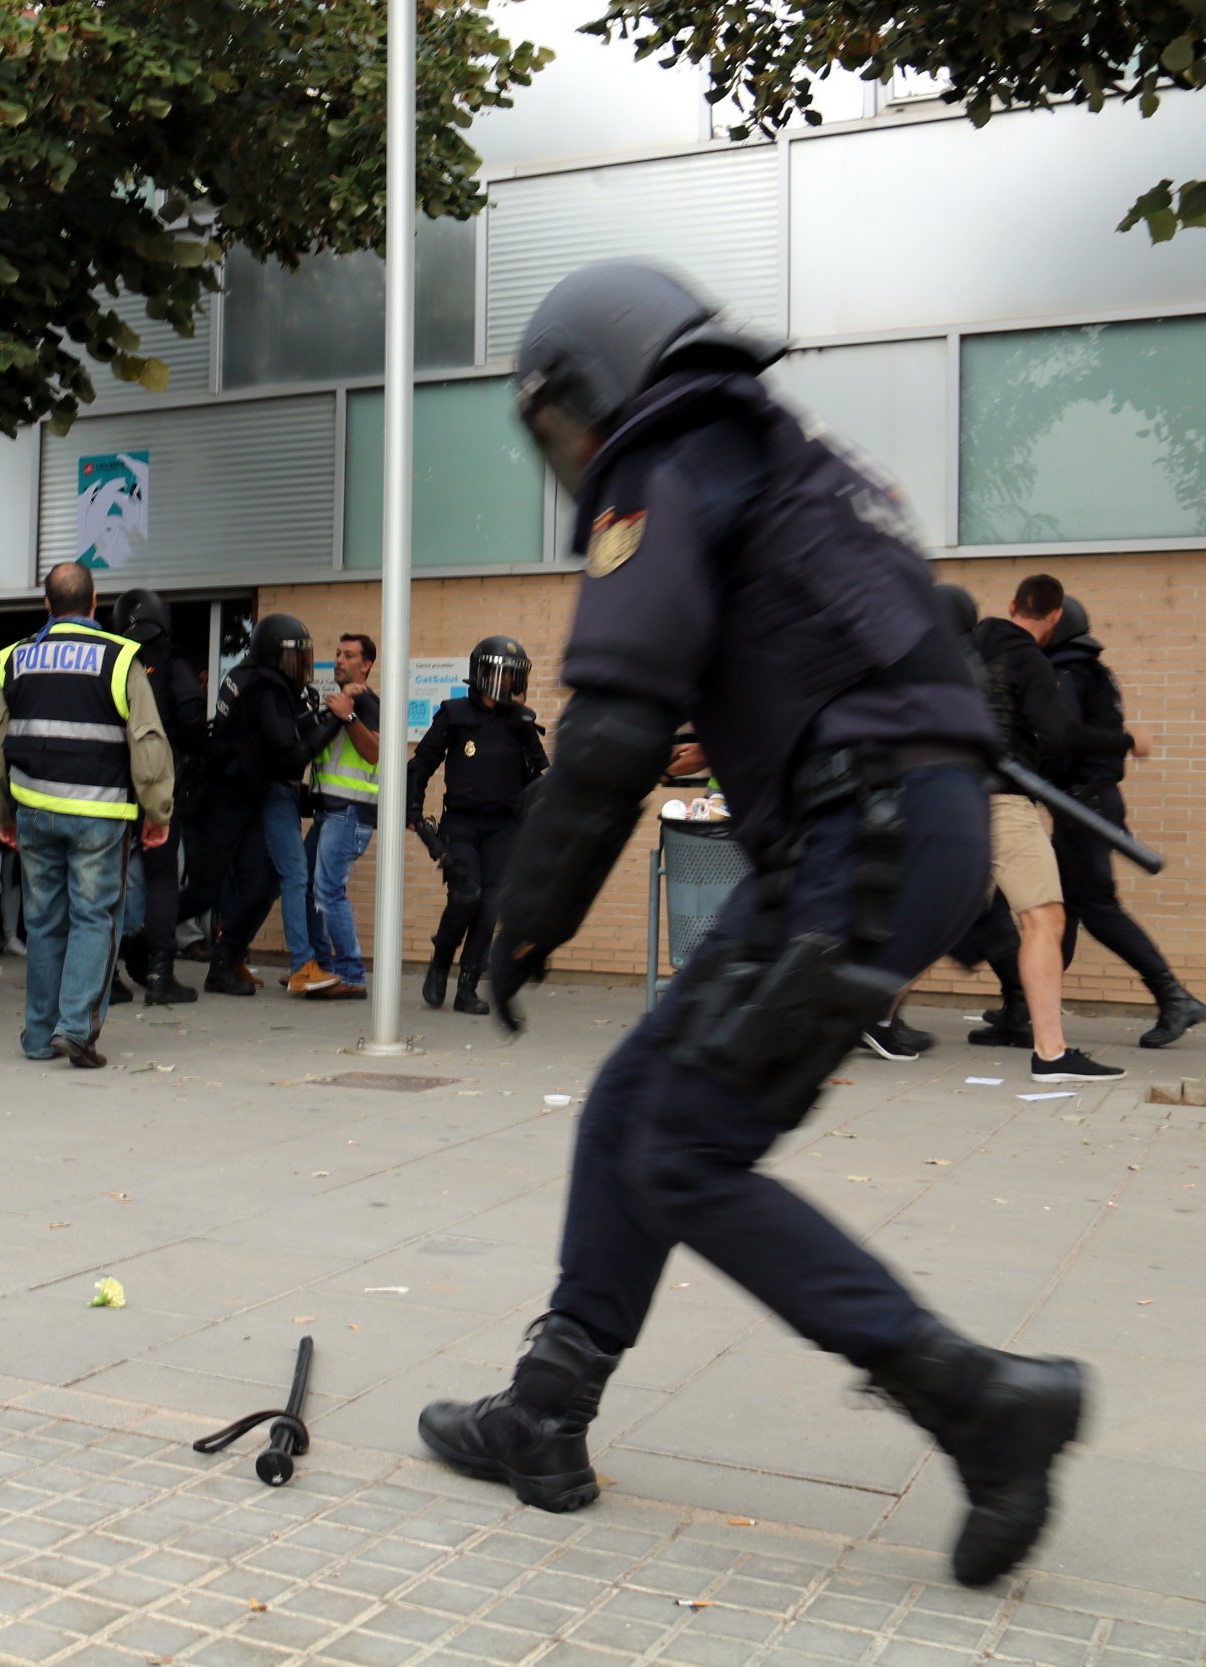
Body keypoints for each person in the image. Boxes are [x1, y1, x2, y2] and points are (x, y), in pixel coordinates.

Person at [419, 262, 1081, 1593]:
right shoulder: (789, 454)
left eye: (558, 422)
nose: (567, 454)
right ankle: (547, 1403)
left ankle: (976, 1400)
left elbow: (606, 730)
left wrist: (523, 915)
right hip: (894, 831)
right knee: (636, 1097)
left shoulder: (662, 457)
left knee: (682, 1150)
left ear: (603, 383)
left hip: (860, 840)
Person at [0, 563, 174, 1069]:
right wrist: (157, 811)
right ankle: (76, 1030)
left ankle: (39, 1036)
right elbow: (148, 741)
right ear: (94, 604)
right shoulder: (121, 659)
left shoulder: (14, 659)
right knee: (94, 918)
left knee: (44, 922)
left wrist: (2, 811)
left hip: (36, 811)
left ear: (47, 605)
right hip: (100, 813)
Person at [965, 577, 1127, 1081]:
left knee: (937, 917)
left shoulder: (961, 652)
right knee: (1045, 919)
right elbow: (1061, 735)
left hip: (948, 798)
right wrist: (1125, 740)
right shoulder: (1029, 659)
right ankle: (1051, 1053)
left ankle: (876, 1019)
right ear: (1055, 618)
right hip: (1001, 802)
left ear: (1012, 604)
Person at [1042, 597, 1199, 1049]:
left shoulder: (1067, 672)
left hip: (1083, 805)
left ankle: (1173, 997)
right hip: (1091, 803)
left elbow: (1060, 736)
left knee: (1093, 906)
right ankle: (1025, 1005)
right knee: (1057, 908)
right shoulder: (1091, 669)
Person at [196, 614, 342, 998]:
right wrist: (335, 721)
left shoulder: (258, 682)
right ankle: (302, 966)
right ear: (273, 656)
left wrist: (321, 716)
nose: (301, 666)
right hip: (272, 791)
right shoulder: (267, 688)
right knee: (294, 875)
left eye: (304, 657)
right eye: (294, 657)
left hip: (253, 794)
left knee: (264, 883)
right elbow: (288, 755)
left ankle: (228, 958)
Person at [407, 637, 549, 1015]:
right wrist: (413, 812)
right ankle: (440, 963)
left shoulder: (521, 721)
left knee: (489, 907)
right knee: (464, 897)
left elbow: (541, 775)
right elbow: (420, 766)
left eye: (513, 678)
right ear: (481, 674)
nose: (506, 684)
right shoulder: (454, 714)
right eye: (500, 675)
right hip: (463, 824)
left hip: (505, 828)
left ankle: (467, 985)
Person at [111, 590, 205, 1007]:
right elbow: (191, 717)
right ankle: (158, 974)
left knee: (108, 883)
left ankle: (105, 976)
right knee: (163, 878)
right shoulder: (172, 660)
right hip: (161, 784)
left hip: (113, 787)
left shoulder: (111, 660)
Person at [302, 631, 383, 1001]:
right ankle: (322, 968)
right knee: (309, 887)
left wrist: (348, 715)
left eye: (349, 655)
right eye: (336, 653)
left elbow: (374, 752)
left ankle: (351, 974)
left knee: (328, 890)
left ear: (366, 665)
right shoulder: (334, 701)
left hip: (349, 812)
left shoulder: (367, 704)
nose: (339, 660)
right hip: (327, 812)